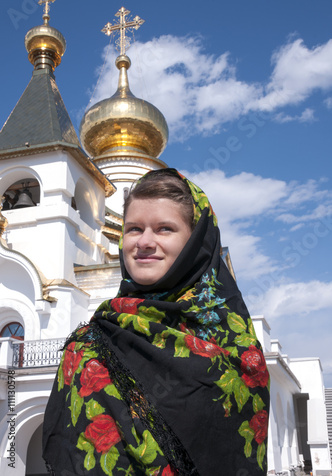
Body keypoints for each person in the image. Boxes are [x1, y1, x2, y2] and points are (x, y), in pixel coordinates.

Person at [43, 168, 269, 476]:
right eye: (134, 229)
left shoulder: (233, 343)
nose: (145, 242)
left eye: (164, 229)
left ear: (195, 243)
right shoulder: (90, 343)